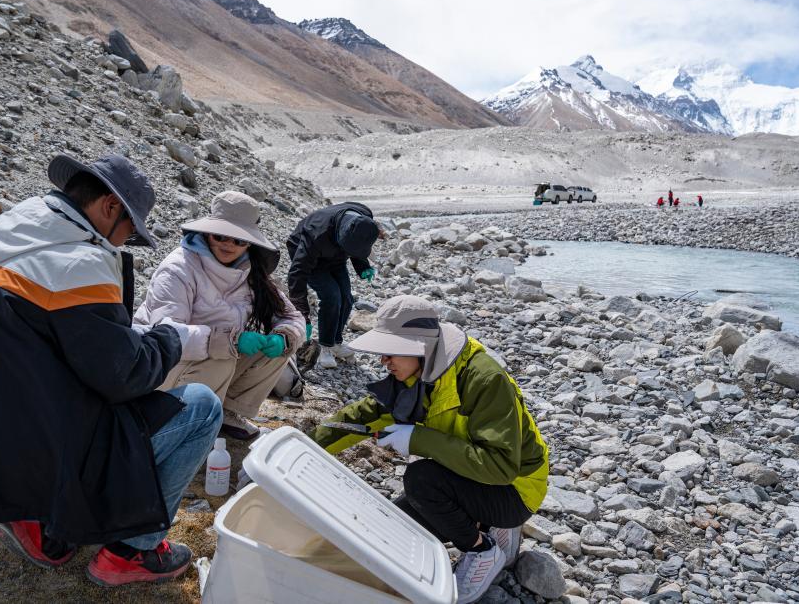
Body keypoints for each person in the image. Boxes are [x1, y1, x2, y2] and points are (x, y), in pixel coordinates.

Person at [0, 154, 221, 587]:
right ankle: (133, 551)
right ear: (110, 207)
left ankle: (32, 517)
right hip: (53, 447)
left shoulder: (9, 235)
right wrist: (171, 339)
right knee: (202, 406)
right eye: (131, 230)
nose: (126, 241)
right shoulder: (79, 263)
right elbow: (125, 377)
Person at [311, 296, 549, 604]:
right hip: (469, 474)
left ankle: (481, 549)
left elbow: (500, 467)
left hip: (515, 490)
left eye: (390, 351)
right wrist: (302, 443)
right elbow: (362, 417)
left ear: (420, 347)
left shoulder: (483, 379)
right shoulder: (415, 374)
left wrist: (417, 438)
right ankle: (487, 525)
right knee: (393, 529)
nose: (383, 361)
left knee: (421, 479)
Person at [135, 191, 305, 441]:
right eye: (220, 236)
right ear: (207, 233)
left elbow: (292, 317)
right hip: (161, 368)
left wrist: (284, 336)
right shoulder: (178, 268)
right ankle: (182, 418)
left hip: (212, 360)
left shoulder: (252, 273)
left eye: (239, 240)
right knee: (223, 357)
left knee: (277, 351)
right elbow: (166, 335)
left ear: (249, 244)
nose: (229, 245)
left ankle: (226, 412)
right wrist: (230, 341)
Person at [287, 202, 381, 370]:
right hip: (309, 257)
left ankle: (335, 342)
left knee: (346, 298)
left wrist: (362, 266)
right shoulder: (316, 233)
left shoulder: (365, 219)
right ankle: (325, 348)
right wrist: (302, 313)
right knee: (331, 297)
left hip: (336, 256)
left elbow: (358, 244)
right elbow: (297, 273)